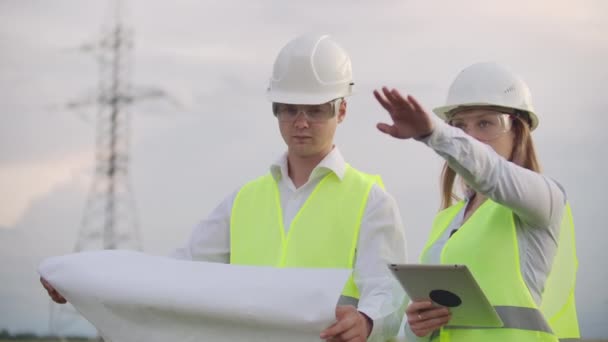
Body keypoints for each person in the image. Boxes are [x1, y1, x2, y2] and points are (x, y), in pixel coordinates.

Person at [41, 34, 408, 342]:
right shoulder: (244, 201)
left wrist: (367, 322)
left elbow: (388, 293)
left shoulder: (370, 200)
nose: (300, 122)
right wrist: (81, 282)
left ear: (341, 111)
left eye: (315, 110)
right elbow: (172, 275)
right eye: (288, 108)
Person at [372, 62, 579, 341]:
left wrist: (433, 133)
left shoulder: (545, 199)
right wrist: (417, 327)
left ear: (518, 131)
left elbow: (492, 172)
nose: (471, 137)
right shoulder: (446, 222)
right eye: (459, 126)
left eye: (485, 123)